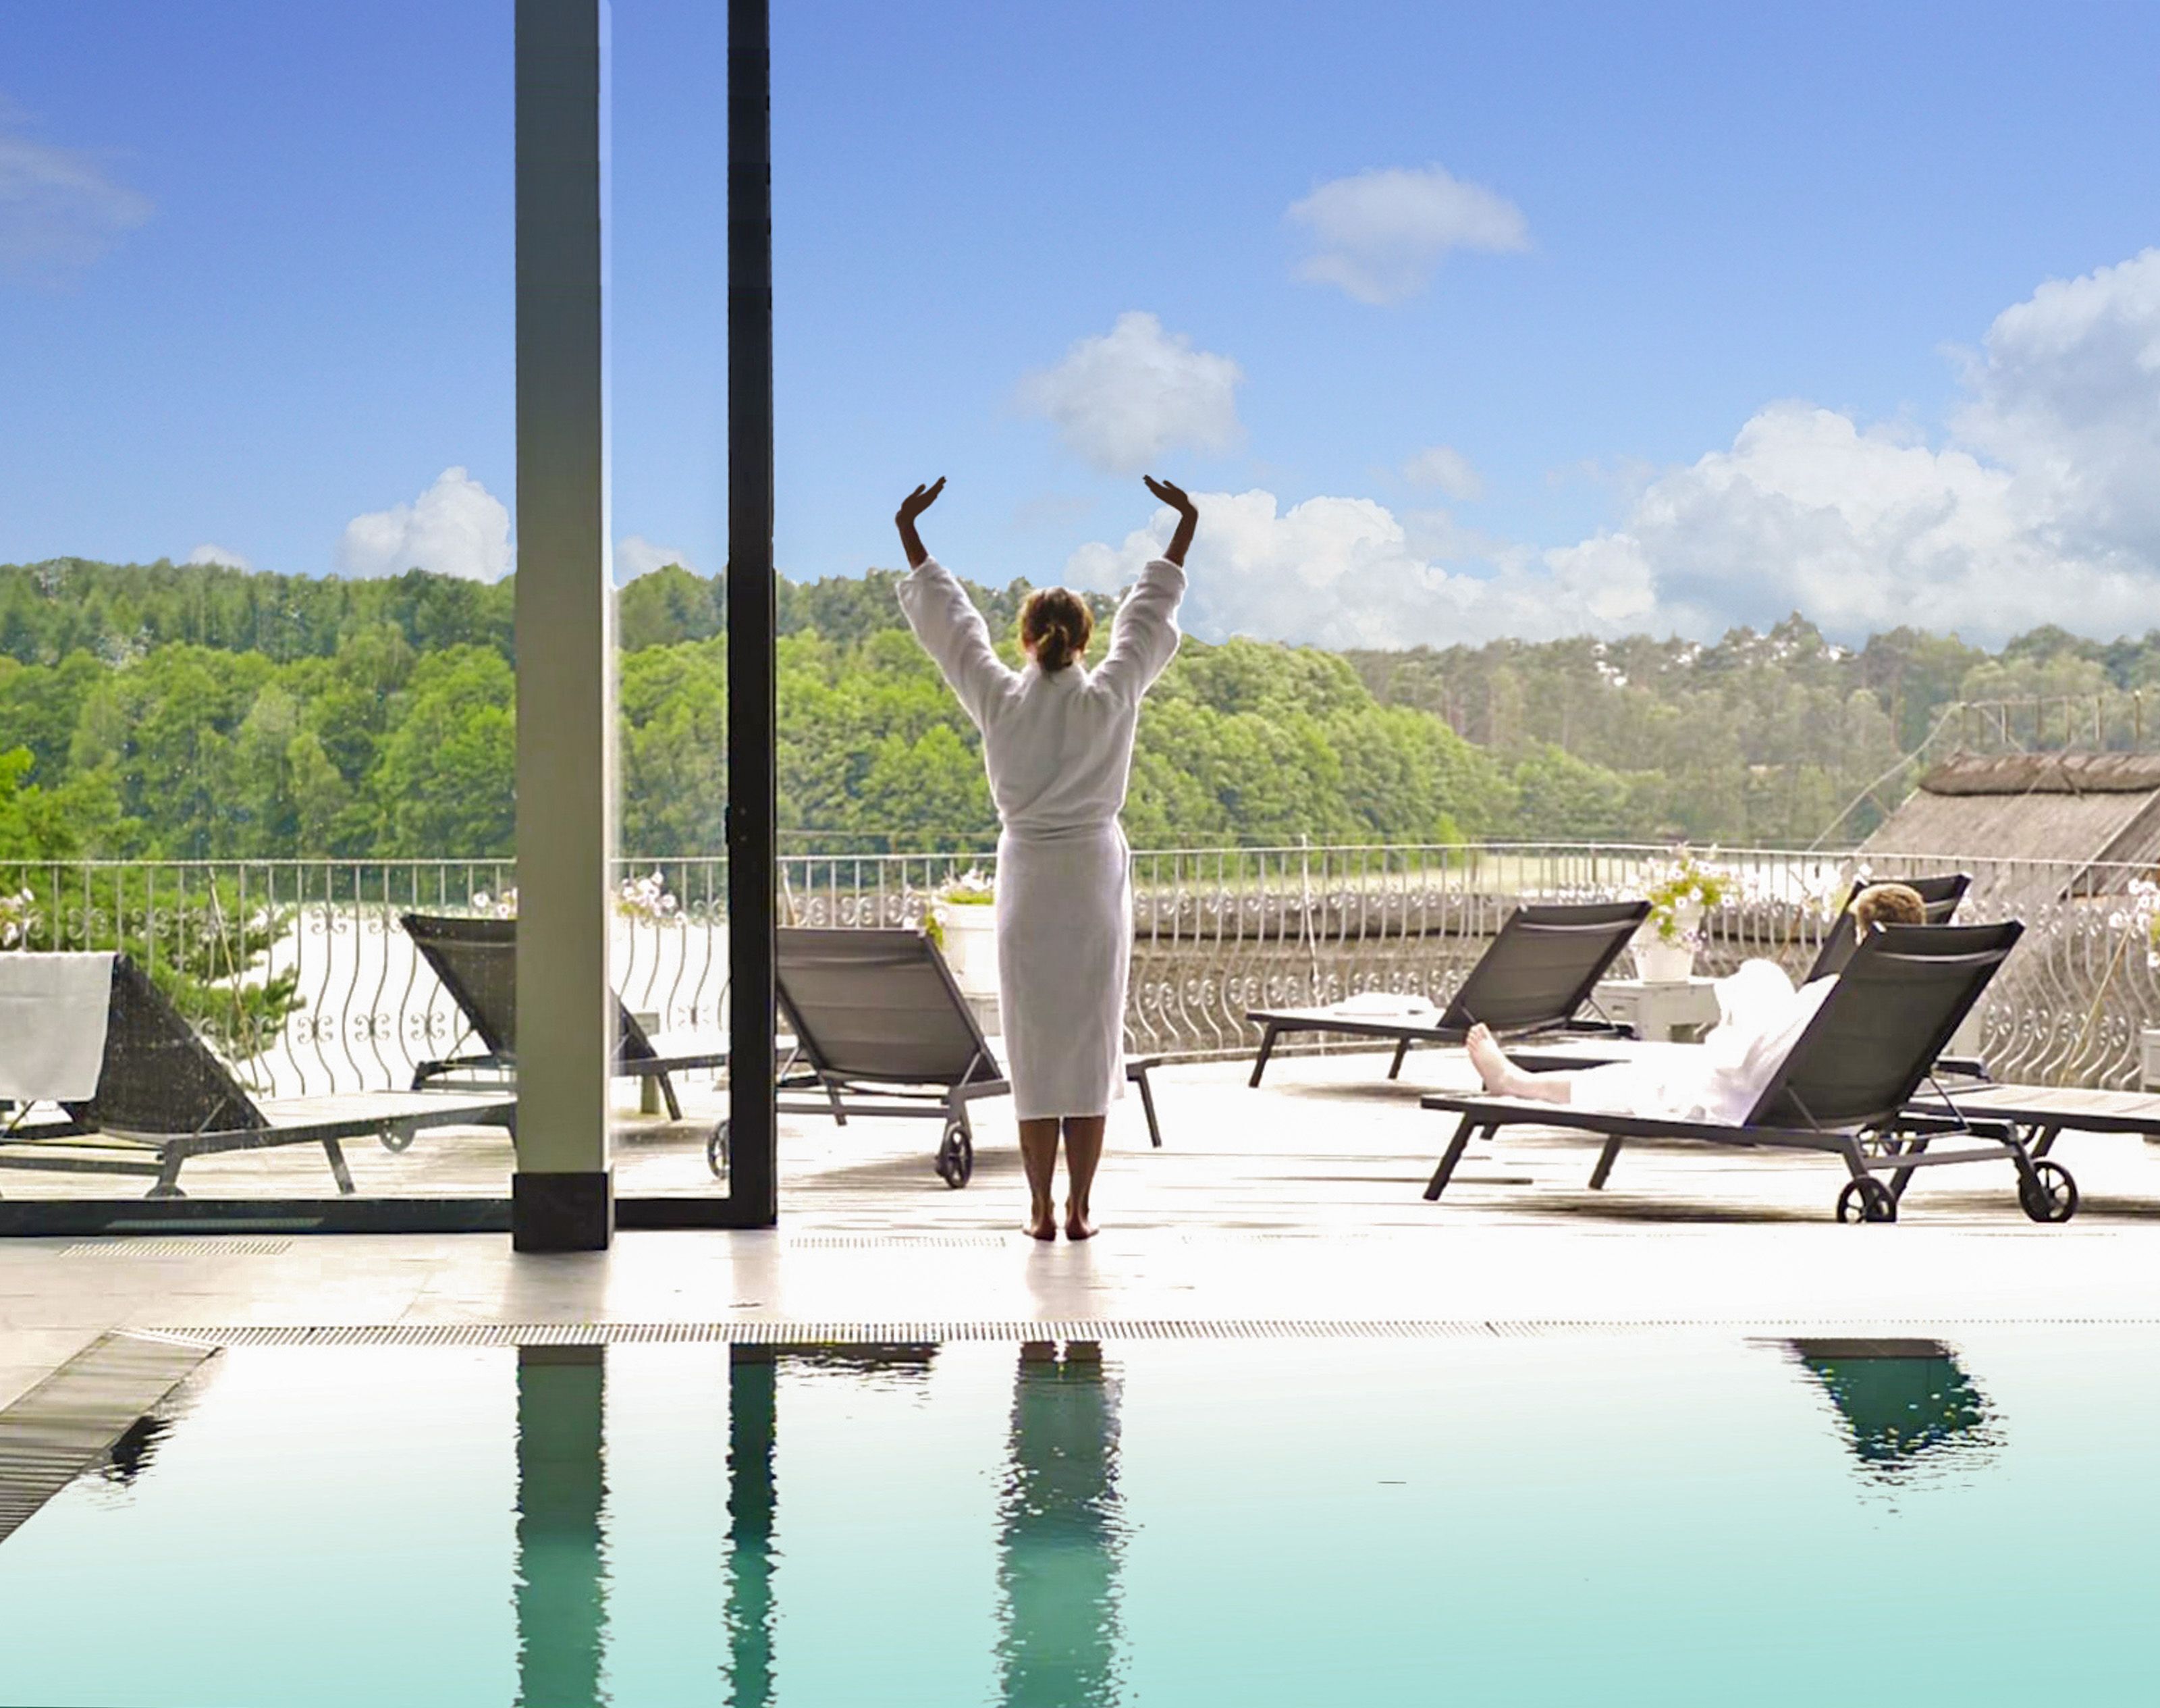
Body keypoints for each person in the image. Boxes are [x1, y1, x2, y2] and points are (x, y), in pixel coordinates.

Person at [894, 474, 1195, 1240]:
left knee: (1033, 1050)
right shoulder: (1110, 693)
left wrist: (912, 535)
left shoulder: (998, 696)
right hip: (1090, 881)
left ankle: (1035, 1208)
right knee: (1090, 1048)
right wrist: (1183, 527)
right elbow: (1147, 616)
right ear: (1081, 640)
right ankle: (1080, 1208)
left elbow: (951, 629)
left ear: (1025, 640)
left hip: (1027, 879)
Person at [1465, 882, 1930, 1123]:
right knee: (1759, 985)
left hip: (1750, 1101)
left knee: (1640, 1078)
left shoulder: (1833, 994)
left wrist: (1731, 1029)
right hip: (1847, 1102)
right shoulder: (1911, 1001)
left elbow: (1747, 1068)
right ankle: (1518, 1080)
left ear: (1862, 933)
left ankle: (1515, 1082)